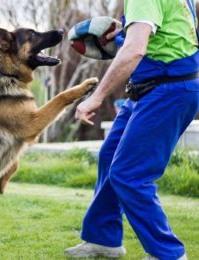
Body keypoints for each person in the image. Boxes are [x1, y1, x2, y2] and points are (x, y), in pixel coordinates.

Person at [65, 0, 199, 259]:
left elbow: (135, 50)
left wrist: (96, 96)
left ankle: (167, 254)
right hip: (148, 88)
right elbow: (170, 37)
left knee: (129, 174)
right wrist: (123, 34)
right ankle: (104, 240)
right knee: (109, 157)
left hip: (167, 90)